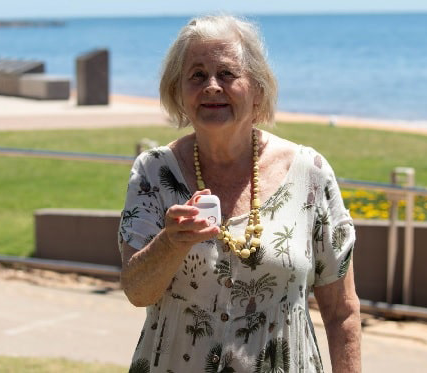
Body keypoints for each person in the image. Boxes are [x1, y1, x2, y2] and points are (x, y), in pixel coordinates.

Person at [118, 15, 361, 373]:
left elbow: (342, 311)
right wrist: (171, 242)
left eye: (228, 74)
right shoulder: (154, 172)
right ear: (178, 92)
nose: (212, 86)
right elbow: (138, 293)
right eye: (197, 75)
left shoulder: (309, 173)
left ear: (258, 89)